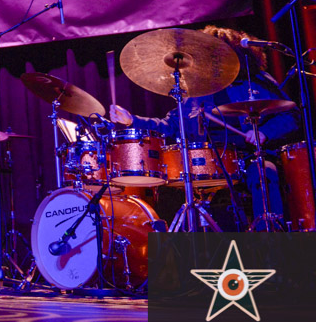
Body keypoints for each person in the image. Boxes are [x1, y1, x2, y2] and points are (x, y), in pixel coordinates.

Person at [109, 25, 299, 229]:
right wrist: (132, 120)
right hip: (205, 165)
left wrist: (263, 133)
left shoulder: (255, 80)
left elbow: (291, 115)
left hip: (247, 158)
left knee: (264, 172)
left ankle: (271, 238)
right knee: (167, 185)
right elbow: (171, 126)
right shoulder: (197, 91)